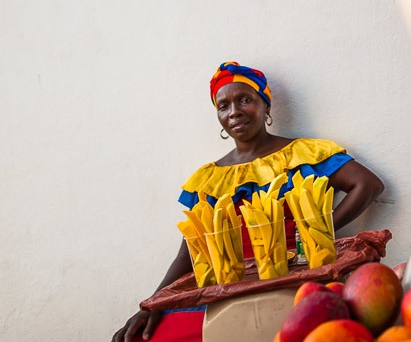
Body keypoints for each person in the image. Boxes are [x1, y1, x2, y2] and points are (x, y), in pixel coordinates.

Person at [113, 62, 384, 342]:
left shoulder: (301, 154)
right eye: (223, 105)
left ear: (265, 106)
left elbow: (368, 185)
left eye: (245, 99)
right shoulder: (209, 180)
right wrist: (152, 304)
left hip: (296, 282)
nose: (234, 112)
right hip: (226, 292)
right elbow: (188, 255)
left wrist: (317, 232)